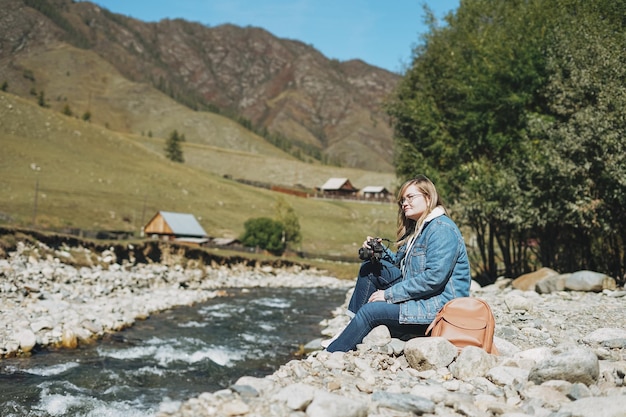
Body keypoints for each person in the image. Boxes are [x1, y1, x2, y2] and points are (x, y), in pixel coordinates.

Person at [325, 175, 471, 352]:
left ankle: (332, 353)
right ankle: (351, 329)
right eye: (402, 199)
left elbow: (433, 278)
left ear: (428, 197)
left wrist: (388, 294)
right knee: (370, 269)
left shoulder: (441, 229)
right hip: (423, 297)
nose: (404, 203)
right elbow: (402, 267)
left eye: (410, 197)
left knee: (370, 311)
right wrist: (379, 251)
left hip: (438, 310)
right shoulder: (419, 228)